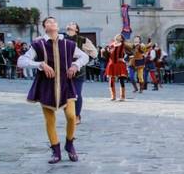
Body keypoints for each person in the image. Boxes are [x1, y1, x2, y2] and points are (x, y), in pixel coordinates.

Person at [17, 17, 90, 164]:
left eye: (54, 21)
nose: (52, 23)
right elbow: (21, 61)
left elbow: (85, 56)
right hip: (46, 86)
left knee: (71, 116)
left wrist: (76, 65)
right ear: (45, 27)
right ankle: (56, 151)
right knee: (50, 120)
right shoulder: (38, 44)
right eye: (49, 22)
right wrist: (40, 65)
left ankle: (69, 144)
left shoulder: (68, 44)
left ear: (57, 26)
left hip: (66, 85)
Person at [64, 22, 97, 124]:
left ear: (77, 29)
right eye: (69, 23)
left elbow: (94, 53)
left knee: (76, 94)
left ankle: (77, 116)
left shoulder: (83, 40)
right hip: (64, 71)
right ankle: (70, 115)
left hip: (78, 71)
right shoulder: (61, 39)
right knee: (66, 95)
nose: (70, 24)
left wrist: (82, 62)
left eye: (73, 24)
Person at [105, 35, 131, 101]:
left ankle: (122, 97)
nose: (118, 37)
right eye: (117, 36)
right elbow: (107, 53)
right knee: (111, 80)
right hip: (112, 64)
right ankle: (113, 96)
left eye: (120, 36)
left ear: (122, 38)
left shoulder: (124, 45)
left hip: (120, 64)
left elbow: (131, 53)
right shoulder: (111, 45)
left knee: (121, 80)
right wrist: (104, 51)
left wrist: (125, 59)